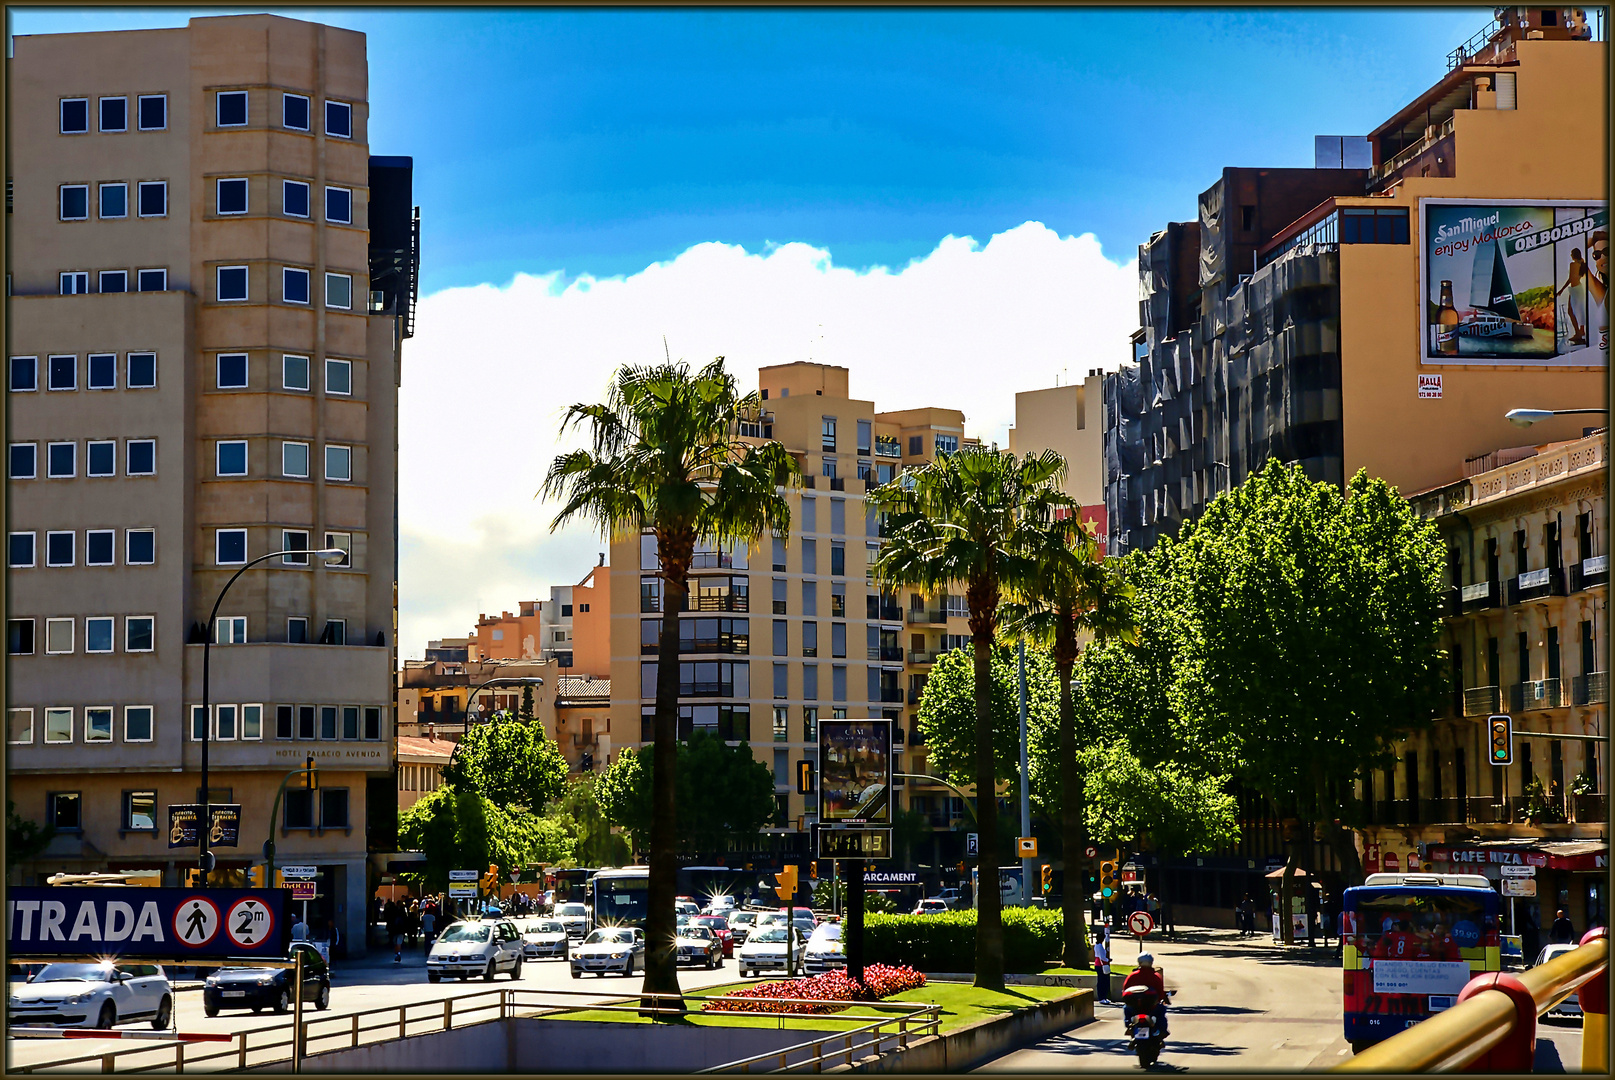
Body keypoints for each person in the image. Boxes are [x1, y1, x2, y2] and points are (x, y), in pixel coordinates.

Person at [1120, 952, 1170, 1040]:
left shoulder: (1132, 976)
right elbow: (1160, 993)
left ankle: (1129, 1026)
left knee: (1126, 1009)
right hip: (1151, 1008)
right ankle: (1162, 1030)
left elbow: (1125, 990)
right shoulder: (1155, 977)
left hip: (1135, 1007)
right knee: (1162, 1009)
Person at [1093, 926, 1113, 1004]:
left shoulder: (1096, 946)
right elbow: (1102, 957)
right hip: (1101, 965)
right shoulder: (1100, 946)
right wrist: (1108, 960)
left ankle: (1103, 997)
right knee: (1102, 982)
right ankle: (1102, 997)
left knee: (1102, 981)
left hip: (1098, 964)